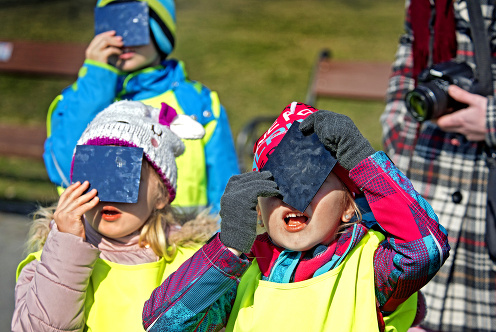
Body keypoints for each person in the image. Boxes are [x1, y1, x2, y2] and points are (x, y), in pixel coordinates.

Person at [141, 102, 450, 331]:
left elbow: (425, 251)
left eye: (309, 182)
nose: (289, 197)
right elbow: (162, 324)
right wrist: (229, 244)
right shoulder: (242, 269)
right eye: (273, 186)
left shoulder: (371, 267)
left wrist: (361, 158)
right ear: (258, 208)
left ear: (348, 205)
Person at [12, 100, 219, 331]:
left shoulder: (193, 264)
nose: (108, 195)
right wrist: (65, 248)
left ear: (161, 195)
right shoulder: (51, 262)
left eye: (126, 176)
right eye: (95, 176)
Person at [43, 0, 239, 215]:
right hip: (104, 242)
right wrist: (97, 77)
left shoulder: (198, 102)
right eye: (113, 24)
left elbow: (224, 188)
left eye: (135, 23)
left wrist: (223, 245)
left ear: (160, 33)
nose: (122, 40)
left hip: (187, 243)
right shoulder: (81, 98)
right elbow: (64, 167)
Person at [381, 1, 496, 331]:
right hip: (425, 174)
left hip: (487, 194)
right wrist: (399, 127)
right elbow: (412, 44)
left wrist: (492, 121)